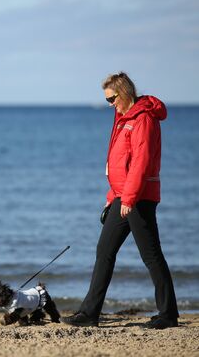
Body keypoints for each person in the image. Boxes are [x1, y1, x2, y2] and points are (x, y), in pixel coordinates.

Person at [62, 72, 179, 329]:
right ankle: (89, 313)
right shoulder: (123, 118)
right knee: (104, 251)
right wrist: (112, 196)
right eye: (107, 100)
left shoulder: (143, 118)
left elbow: (141, 162)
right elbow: (118, 163)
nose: (110, 104)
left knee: (150, 254)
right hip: (123, 195)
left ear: (124, 93)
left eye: (112, 98)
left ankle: (169, 315)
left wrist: (129, 197)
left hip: (139, 197)